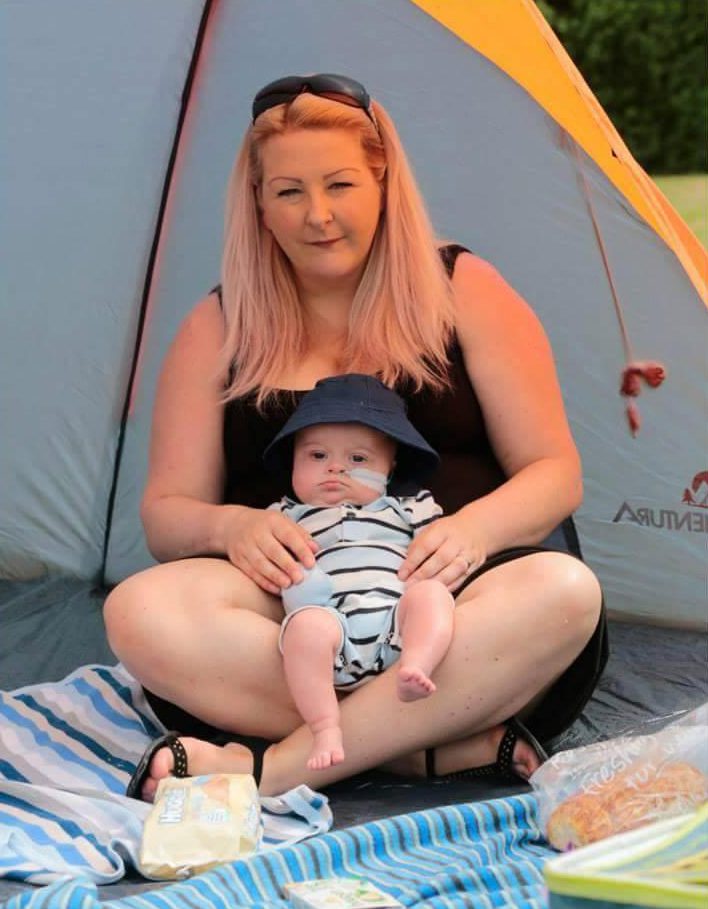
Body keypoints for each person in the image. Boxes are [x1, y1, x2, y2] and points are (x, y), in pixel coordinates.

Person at [103, 73, 608, 802]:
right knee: (136, 611)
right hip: (296, 629)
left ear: (382, 182)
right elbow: (165, 514)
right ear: (258, 205)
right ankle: (418, 747)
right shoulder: (217, 326)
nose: (318, 216)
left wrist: (473, 530)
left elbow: (555, 472)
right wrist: (229, 526)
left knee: (564, 591)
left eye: (340, 185)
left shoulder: (463, 287)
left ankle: (266, 771)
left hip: (457, 622)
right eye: (288, 192)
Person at [264, 373, 455, 770]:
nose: (335, 469)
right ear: (293, 461)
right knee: (306, 628)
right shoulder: (285, 516)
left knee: (432, 595)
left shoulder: (407, 507)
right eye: (317, 456)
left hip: (396, 621)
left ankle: (417, 665)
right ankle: (325, 725)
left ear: (389, 468)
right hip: (335, 632)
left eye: (358, 460)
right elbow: (264, 557)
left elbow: (445, 547)